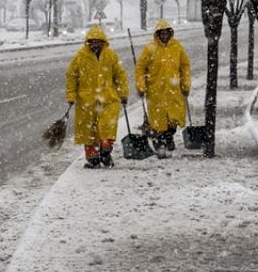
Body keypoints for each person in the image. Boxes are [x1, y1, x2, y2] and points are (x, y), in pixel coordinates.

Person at [66, 25, 129, 168]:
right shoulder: (80, 57)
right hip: (86, 101)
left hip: (108, 99)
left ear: (103, 41)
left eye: (98, 41)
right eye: (92, 41)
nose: (95, 44)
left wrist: (123, 93)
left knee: (106, 127)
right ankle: (93, 158)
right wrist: (71, 95)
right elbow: (71, 75)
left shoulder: (111, 55)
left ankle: (106, 152)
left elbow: (120, 76)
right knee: (88, 132)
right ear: (88, 42)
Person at [134, 19, 191, 158]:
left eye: (166, 33)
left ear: (170, 33)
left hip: (174, 90)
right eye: (162, 33)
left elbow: (185, 66)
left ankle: (168, 137)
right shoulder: (150, 49)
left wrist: (185, 84)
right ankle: (160, 145)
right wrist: (141, 86)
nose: (164, 35)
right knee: (158, 121)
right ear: (157, 34)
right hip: (155, 91)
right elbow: (140, 68)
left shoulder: (177, 47)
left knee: (173, 119)